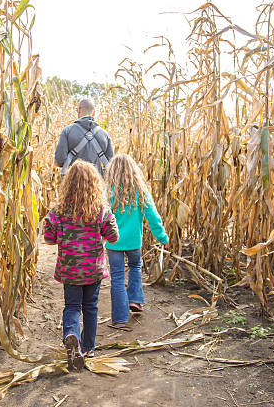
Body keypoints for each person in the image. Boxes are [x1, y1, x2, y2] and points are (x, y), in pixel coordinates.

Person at [43, 160, 119, 371]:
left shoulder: (58, 212)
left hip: (70, 269)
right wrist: (108, 222)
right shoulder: (100, 211)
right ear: (95, 185)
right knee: (91, 307)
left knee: (72, 306)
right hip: (92, 269)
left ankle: (71, 336)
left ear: (67, 184)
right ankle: (88, 347)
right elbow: (113, 237)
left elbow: (48, 238)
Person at [105, 154, 169, 329]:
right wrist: (162, 237)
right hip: (134, 242)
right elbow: (153, 217)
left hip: (113, 243)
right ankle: (135, 300)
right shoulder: (141, 192)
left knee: (117, 277)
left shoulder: (107, 192)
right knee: (135, 267)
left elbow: (100, 217)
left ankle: (119, 319)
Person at [54, 98, 114, 176]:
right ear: (94, 113)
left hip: (72, 183)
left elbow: (60, 161)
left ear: (79, 111)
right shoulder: (105, 135)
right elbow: (111, 164)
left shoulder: (67, 131)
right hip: (97, 184)